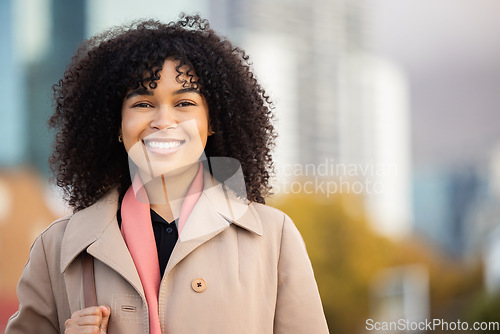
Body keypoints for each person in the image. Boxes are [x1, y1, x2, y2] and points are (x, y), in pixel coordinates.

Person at [5, 15, 329, 334]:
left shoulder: (275, 236)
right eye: (143, 104)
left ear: (212, 121)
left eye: (184, 103)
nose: (163, 121)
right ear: (116, 125)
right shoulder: (56, 246)